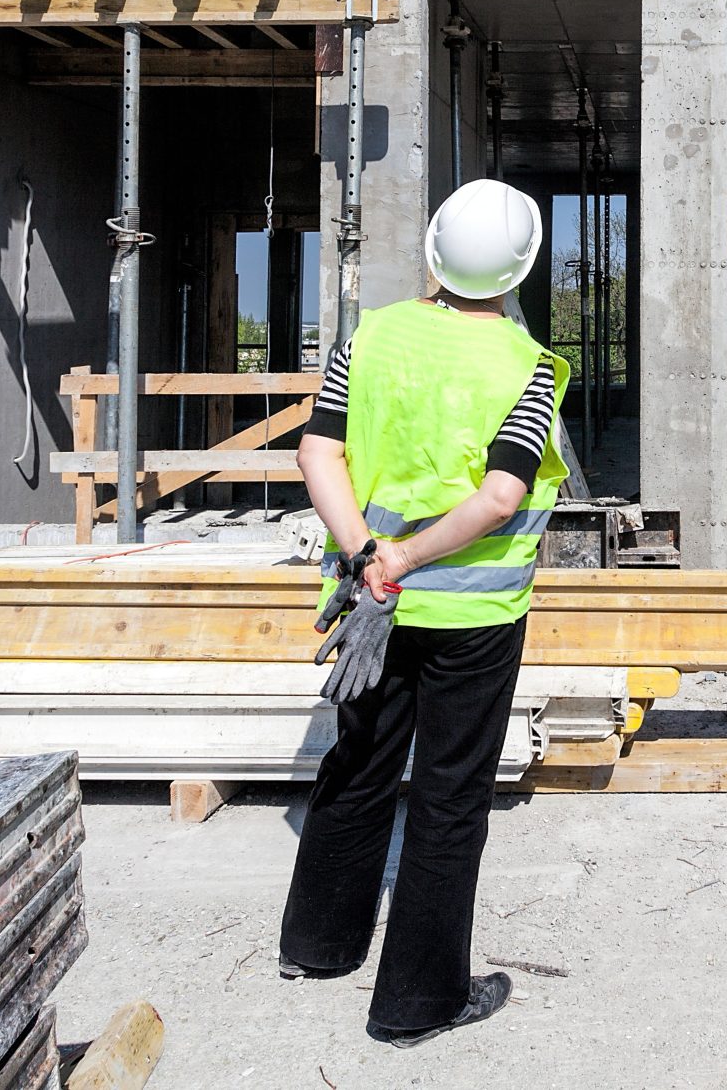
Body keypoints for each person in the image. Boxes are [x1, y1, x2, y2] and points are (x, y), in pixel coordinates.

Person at [276, 178, 569, 1048]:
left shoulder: (371, 337)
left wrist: (368, 555)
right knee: (448, 797)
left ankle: (318, 945)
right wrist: (401, 558)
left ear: (435, 250)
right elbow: (502, 494)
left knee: (358, 765)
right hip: (469, 619)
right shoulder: (531, 366)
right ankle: (417, 1002)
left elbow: (316, 448)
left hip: (371, 604)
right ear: (522, 267)